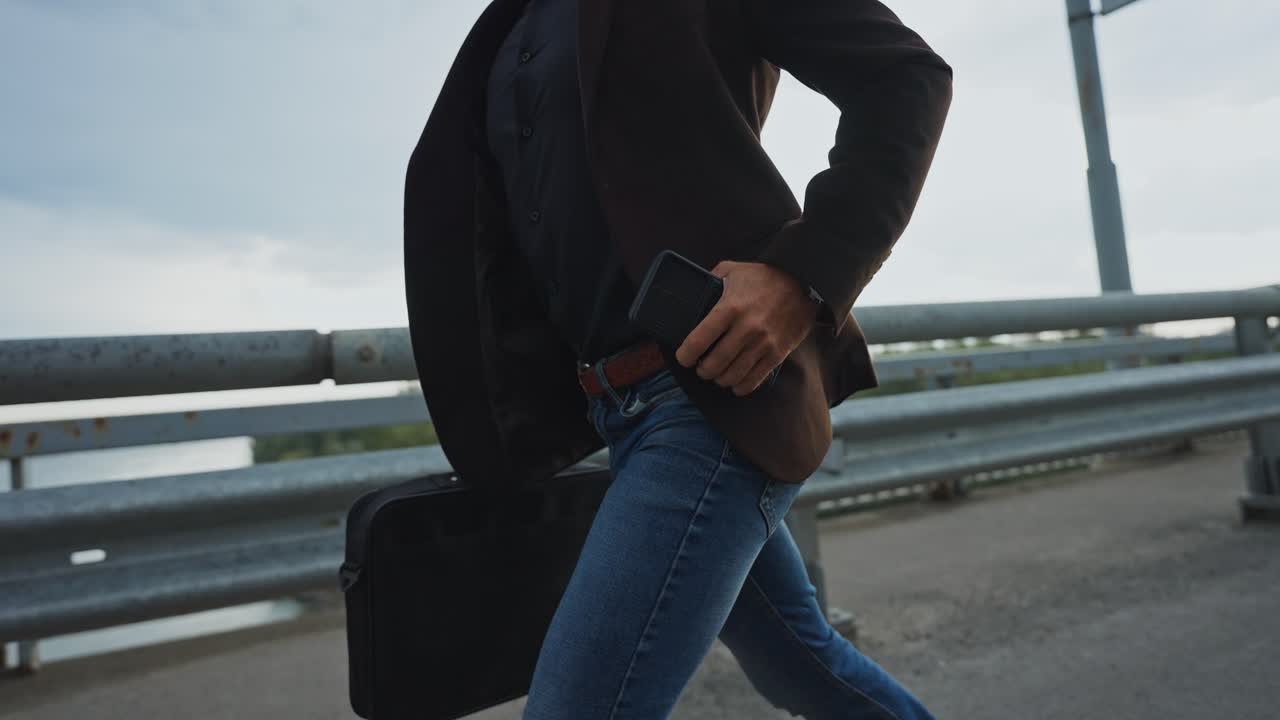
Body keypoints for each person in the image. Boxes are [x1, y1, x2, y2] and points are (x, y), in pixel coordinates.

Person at [403, 0, 952, 717]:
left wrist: (801, 275)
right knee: (802, 666)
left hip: (713, 391)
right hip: (614, 412)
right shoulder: (511, 25)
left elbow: (906, 78)